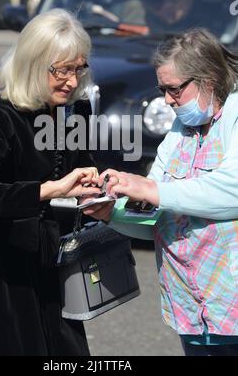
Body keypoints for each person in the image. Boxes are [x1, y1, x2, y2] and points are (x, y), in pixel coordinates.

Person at [0, 8, 101, 356]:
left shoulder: (74, 110)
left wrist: (101, 187)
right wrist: (51, 190)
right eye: (62, 70)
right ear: (33, 64)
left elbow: (80, 167)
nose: (72, 81)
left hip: (45, 253)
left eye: (79, 68)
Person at [86, 28, 238, 356]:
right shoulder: (181, 128)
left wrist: (151, 188)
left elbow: (232, 191)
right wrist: (111, 212)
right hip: (192, 308)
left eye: (173, 90)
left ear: (208, 80)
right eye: (162, 89)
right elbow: (155, 212)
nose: (167, 100)